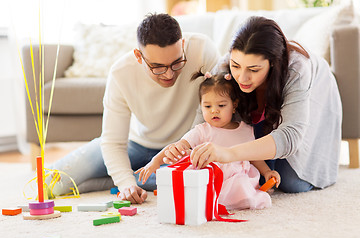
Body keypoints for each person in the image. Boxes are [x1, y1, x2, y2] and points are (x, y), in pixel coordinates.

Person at [47, 13, 220, 203]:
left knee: (195, 179)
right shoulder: (121, 72)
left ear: (183, 44)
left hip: (181, 148)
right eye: (158, 67)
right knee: (53, 182)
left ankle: (107, 183)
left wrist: (185, 145)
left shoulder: (203, 49)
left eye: (177, 62)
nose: (169, 74)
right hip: (135, 143)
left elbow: (213, 111)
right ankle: (128, 178)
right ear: (139, 56)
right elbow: (113, 142)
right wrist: (126, 185)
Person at [168, 16, 342, 193]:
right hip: (263, 117)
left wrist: (228, 153)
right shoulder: (225, 66)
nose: (242, 78)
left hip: (315, 96)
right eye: (236, 66)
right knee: (249, 172)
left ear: (273, 63)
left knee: (291, 183)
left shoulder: (296, 69)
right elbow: (202, 120)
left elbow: (290, 137)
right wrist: (187, 148)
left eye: (253, 70)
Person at [136, 71, 281, 210]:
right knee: (182, 181)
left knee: (242, 185)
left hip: (236, 178)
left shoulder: (245, 130)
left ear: (234, 105)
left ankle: (234, 199)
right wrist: (156, 161)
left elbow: (254, 157)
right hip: (208, 179)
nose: (214, 111)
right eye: (207, 106)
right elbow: (176, 147)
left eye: (221, 105)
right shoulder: (202, 130)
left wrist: (267, 172)